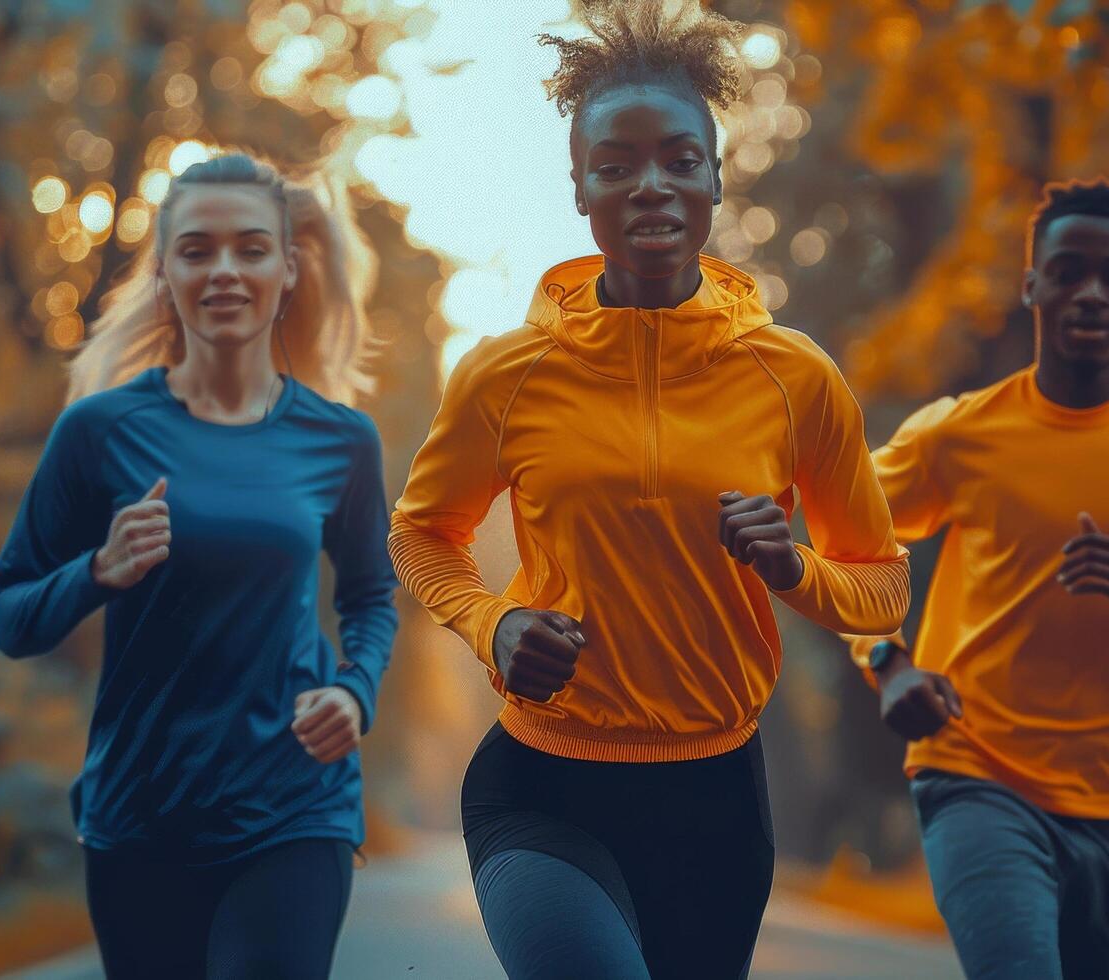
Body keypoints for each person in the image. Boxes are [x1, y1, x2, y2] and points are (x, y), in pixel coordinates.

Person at [387, 3, 911, 977]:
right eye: (617, 164)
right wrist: (493, 622)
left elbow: (880, 584)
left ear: (716, 173)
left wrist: (791, 565)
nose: (651, 185)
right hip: (541, 784)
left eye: (679, 158)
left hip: (715, 800)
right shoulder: (509, 373)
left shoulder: (793, 377)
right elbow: (423, 535)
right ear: (579, 185)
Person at [0, 153, 397, 980]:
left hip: (293, 803)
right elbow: (9, 614)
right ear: (166, 270)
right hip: (141, 816)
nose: (225, 271)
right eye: (198, 250)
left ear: (288, 267)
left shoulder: (340, 438)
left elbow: (371, 595)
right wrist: (97, 571)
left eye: (250, 249)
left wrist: (355, 691)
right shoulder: (100, 433)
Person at [852, 179, 1109, 980]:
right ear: (1030, 284)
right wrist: (887, 660)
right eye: (1068, 270)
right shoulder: (955, 433)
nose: (1091, 293)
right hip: (973, 768)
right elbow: (844, 548)